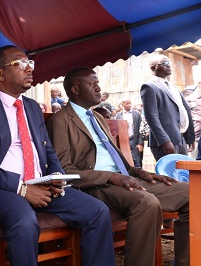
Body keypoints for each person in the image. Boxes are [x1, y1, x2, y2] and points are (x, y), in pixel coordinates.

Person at [0, 46, 115, 266]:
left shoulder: (31, 107)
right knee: (24, 221)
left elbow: (47, 148)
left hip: (41, 184)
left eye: (30, 63)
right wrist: (22, 189)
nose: (29, 69)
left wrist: (56, 174)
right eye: (21, 64)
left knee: (97, 211)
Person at [46, 67, 189, 266]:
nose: (98, 88)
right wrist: (110, 177)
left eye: (97, 83)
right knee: (146, 203)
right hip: (96, 186)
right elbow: (64, 171)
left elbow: (119, 160)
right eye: (92, 83)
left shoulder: (97, 118)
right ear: (75, 90)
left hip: (125, 179)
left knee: (193, 193)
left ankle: (185, 262)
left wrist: (141, 172)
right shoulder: (60, 121)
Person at [141, 54, 195, 162]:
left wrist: (189, 137)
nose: (169, 66)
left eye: (169, 63)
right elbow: (152, 117)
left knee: (184, 175)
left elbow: (185, 110)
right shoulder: (149, 87)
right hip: (166, 142)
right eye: (164, 63)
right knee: (170, 176)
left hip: (181, 138)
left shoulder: (173, 87)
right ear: (153, 67)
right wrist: (164, 140)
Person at [116, 99, 144, 167]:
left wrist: (140, 143)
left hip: (134, 140)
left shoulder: (136, 114)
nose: (129, 105)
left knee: (137, 162)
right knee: (126, 162)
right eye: (127, 103)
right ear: (122, 105)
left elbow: (141, 129)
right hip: (124, 141)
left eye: (130, 103)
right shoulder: (119, 115)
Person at [183, 79, 201, 158]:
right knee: (194, 166)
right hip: (195, 139)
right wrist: (189, 138)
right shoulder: (189, 99)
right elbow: (185, 119)